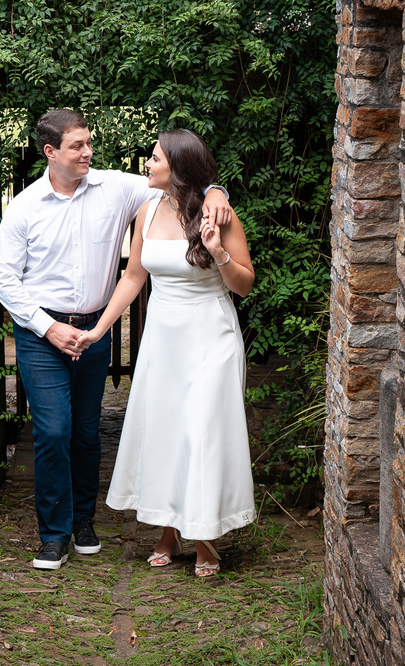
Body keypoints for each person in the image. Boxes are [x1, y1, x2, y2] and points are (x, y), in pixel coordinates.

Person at [0, 110, 231, 570]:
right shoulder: (24, 207)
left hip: (94, 330)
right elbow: (3, 280)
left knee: (84, 433)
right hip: (43, 333)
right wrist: (48, 327)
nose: (88, 152)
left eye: (88, 143)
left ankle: (84, 523)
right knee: (53, 430)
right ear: (51, 152)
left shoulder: (115, 188)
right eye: (77, 146)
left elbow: (183, 182)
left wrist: (218, 190)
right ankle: (54, 534)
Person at [75, 128, 256, 578]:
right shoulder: (148, 210)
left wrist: (217, 253)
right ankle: (168, 531)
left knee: (202, 432)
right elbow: (134, 277)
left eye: (154, 157)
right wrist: (99, 330)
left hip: (210, 334)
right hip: (162, 337)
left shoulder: (220, 215)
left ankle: (204, 537)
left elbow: (245, 285)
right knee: (167, 430)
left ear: (178, 166)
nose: (147, 164)